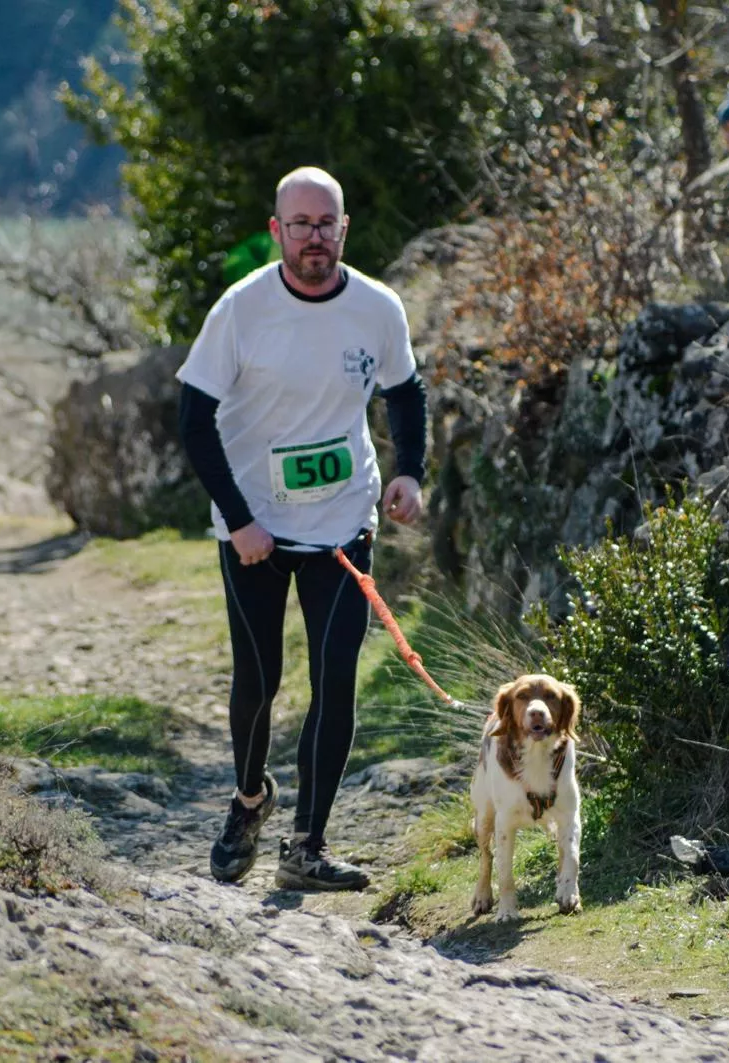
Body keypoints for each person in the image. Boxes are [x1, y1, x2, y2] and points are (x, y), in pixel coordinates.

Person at [175, 166, 428, 892]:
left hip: (344, 521)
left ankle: (307, 844)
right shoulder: (242, 310)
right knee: (259, 680)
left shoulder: (377, 307)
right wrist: (242, 519)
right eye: (300, 224)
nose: (314, 237)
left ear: (343, 229)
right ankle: (250, 800)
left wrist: (408, 471)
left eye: (327, 223)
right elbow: (194, 420)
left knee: (336, 680)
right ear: (276, 230)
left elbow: (405, 392)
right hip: (253, 527)